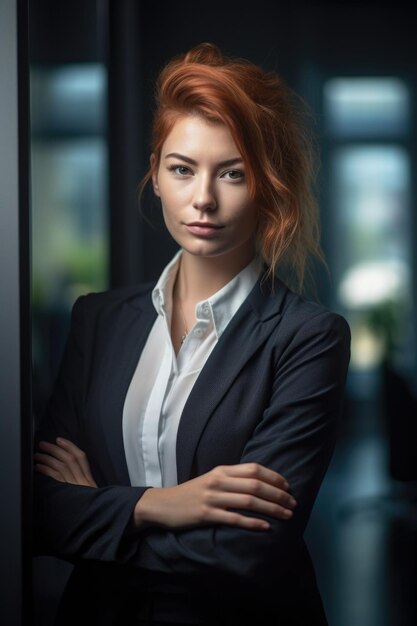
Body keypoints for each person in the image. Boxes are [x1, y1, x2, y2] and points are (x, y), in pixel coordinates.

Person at [33, 42, 351, 626]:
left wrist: (99, 516)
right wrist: (162, 506)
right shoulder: (97, 320)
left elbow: (249, 549)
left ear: (267, 186)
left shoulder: (310, 337)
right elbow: (37, 513)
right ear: (155, 174)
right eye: (182, 168)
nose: (203, 198)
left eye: (232, 173)